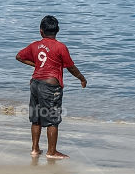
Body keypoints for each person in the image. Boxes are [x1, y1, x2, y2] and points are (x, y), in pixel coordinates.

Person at [16, 14, 87, 159]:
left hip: (35, 83)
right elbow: (71, 67)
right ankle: (52, 151)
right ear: (57, 30)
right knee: (52, 119)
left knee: (36, 118)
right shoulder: (61, 47)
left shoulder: (34, 45)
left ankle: (35, 149)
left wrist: (37, 65)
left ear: (41, 31)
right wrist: (81, 78)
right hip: (50, 87)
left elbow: (19, 56)